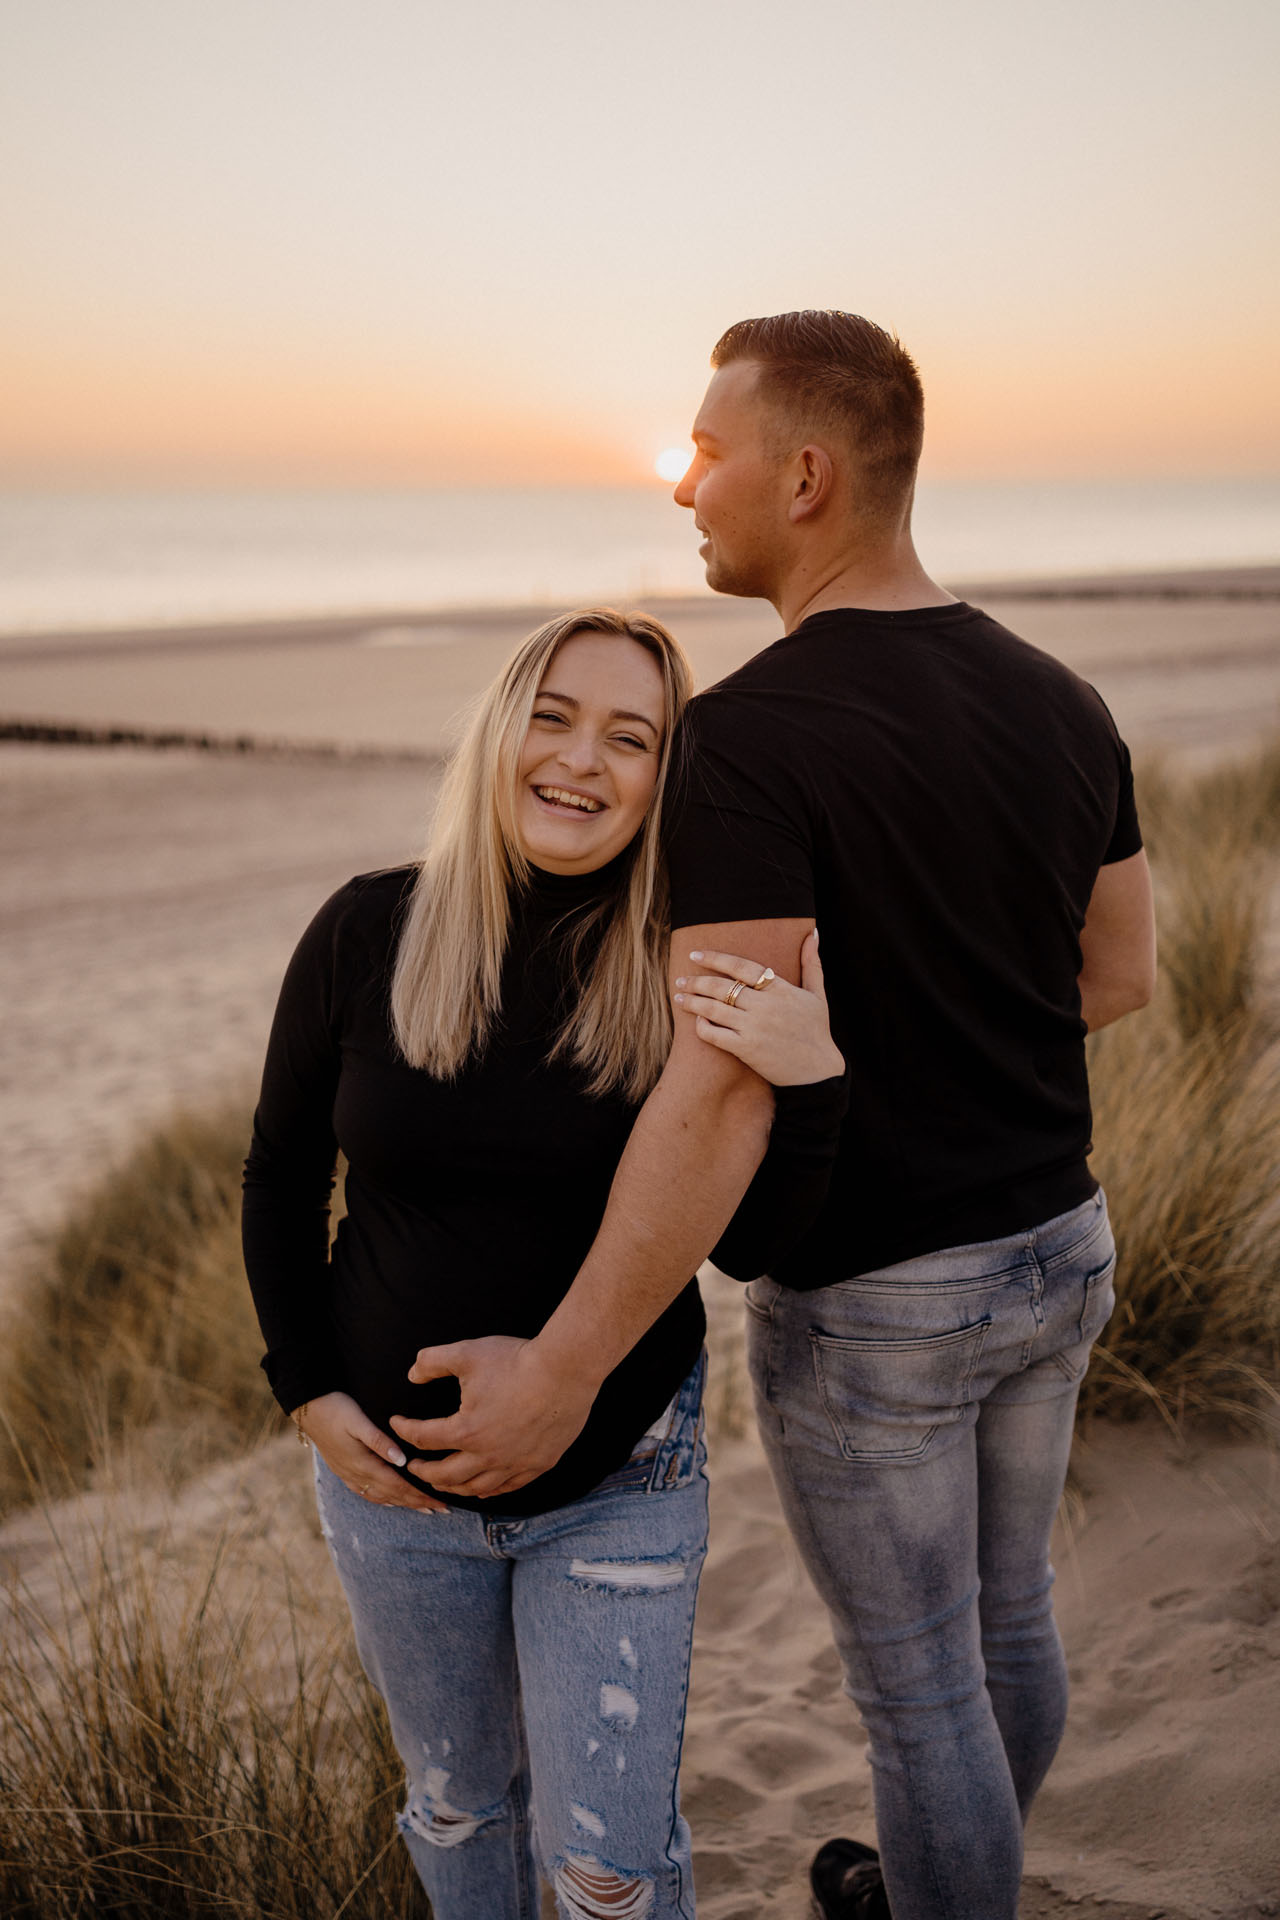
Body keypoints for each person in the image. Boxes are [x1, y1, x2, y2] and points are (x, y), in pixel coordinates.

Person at [394, 313, 1158, 1920]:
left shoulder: (748, 738)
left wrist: (570, 1364)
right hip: (1062, 1245)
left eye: (709, 446)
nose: (687, 479)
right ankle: (954, 1872)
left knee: (923, 1689)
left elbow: (724, 1075)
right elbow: (1118, 977)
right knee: (1007, 1623)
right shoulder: (1064, 696)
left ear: (804, 476)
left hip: (886, 1298)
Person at [241, 605, 847, 1920]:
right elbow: (281, 1171)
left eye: (632, 737)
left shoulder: (683, 967)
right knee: (459, 1809)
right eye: (555, 716)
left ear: (664, 778)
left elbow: (751, 1245)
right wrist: (303, 1387)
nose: (581, 760)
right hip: (392, 1495)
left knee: (606, 1876)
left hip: (616, 1484)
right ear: (503, 728)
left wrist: (811, 1090)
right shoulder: (366, 929)